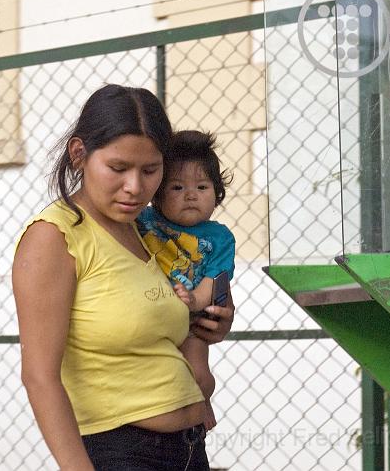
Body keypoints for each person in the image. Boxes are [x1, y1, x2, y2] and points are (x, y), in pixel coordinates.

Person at [12, 84, 235, 471]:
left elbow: (148, 325)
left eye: (151, 170)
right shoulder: (55, 237)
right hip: (120, 453)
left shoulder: (145, 229)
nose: (135, 187)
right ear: (79, 154)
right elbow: (39, 377)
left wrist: (206, 324)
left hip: (189, 449)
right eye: (118, 168)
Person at [136, 130, 236, 431]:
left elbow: (213, 281)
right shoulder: (143, 221)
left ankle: (201, 405)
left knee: (199, 376)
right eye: (177, 187)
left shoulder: (220, 238)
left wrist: (193, 301)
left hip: (190, 319)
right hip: (151, 317)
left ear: (217, 194)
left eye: (202, 187)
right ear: (157, 193)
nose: (191, 195)